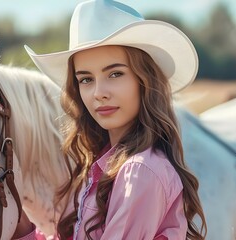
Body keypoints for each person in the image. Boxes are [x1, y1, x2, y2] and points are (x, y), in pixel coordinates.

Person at [14, 0, 207, 239]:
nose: (98, 93)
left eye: (115, 73)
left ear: (144, 81)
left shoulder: (138, 172)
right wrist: (21, 228)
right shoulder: (101, 167)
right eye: (86, 79)